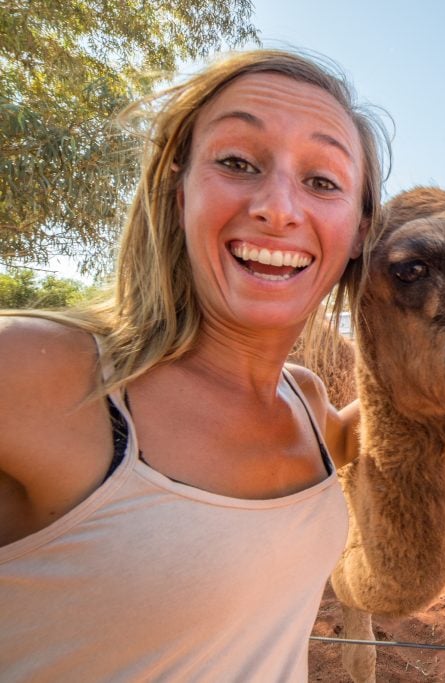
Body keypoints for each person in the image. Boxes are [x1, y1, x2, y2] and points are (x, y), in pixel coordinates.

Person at [0, 49, 389, 681]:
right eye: (237, 162)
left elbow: (369, 433)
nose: (279, 208)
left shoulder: (306, 402)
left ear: (359, 230)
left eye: (323, 181)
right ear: (175, 186)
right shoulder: (44, 373)